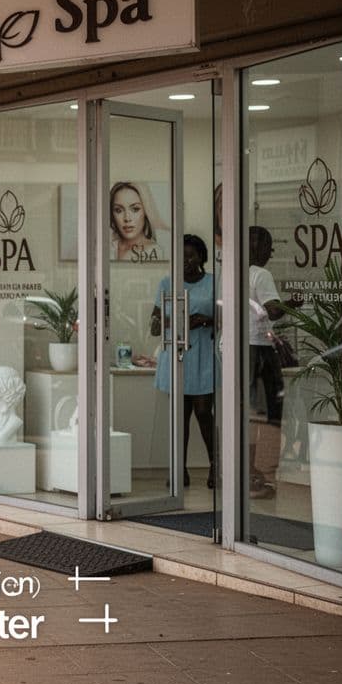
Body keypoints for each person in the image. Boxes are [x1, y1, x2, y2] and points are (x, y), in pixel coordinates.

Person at [151, 234, 217, 488]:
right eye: (182, 256)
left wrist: (206, 320)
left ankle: (216, 466)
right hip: (176, 352)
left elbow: (228, 317)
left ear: (202, 256)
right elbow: (155, 323)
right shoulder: (167, 283)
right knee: (180, 416)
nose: (187, 261)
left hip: (202, 353)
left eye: (191, 255)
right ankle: (179, 470)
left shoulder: (214, 282)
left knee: (203, 412)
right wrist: (175, 321)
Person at [248, 226, 301, 494]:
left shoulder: (231, 273)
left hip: (236, 348)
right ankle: (258, 472)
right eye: (268, 246)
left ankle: (246, 470)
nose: (270, 252)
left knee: (246, 413)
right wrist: (293, 304)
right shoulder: (261, 273)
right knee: (267, 413)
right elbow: (273, 311)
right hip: (258, 349)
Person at [110, 181, 168, 262]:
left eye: (135, 209)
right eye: (118, 210)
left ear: (146, 211)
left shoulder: (154, 251)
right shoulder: (109, 247)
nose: (127, 218)